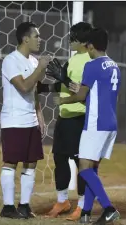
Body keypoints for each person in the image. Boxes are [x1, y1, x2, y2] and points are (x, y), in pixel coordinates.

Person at [54, 27, 121, 224]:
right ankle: (86, 213)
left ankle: (109, 208)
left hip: (95, 122)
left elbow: (82, 96)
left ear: (90, 45)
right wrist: (73, 85)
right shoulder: (114, 65)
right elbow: (96, 92)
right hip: (110, 122)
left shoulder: (92, 65)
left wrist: (64, 101)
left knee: (83, 168)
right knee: (92, 168)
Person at [37, 22, 94, 221]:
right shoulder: (73, 59)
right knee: (59, 160)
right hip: (64, 117)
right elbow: (64, 84)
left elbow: (82, 92)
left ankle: (82, 204)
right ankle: (62, 201)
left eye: (73, 37)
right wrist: (43, 88)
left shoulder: (90, 61)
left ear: (84, 41)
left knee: (81, 163)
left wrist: (62, 77)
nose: (69, 40)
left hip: (80, 118)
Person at [0, 21, 51, 219]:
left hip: (30, 119)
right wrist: (41, 67)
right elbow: (24, 86)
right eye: (37, 36)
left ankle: (24, 206)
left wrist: (40, 114)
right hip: (14, 120)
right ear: (25, 39)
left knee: (31, 163)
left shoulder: (33, 61)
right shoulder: (11, 60)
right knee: (11, 162)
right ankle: (8, 207)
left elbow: (36, 90)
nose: (40, 39)